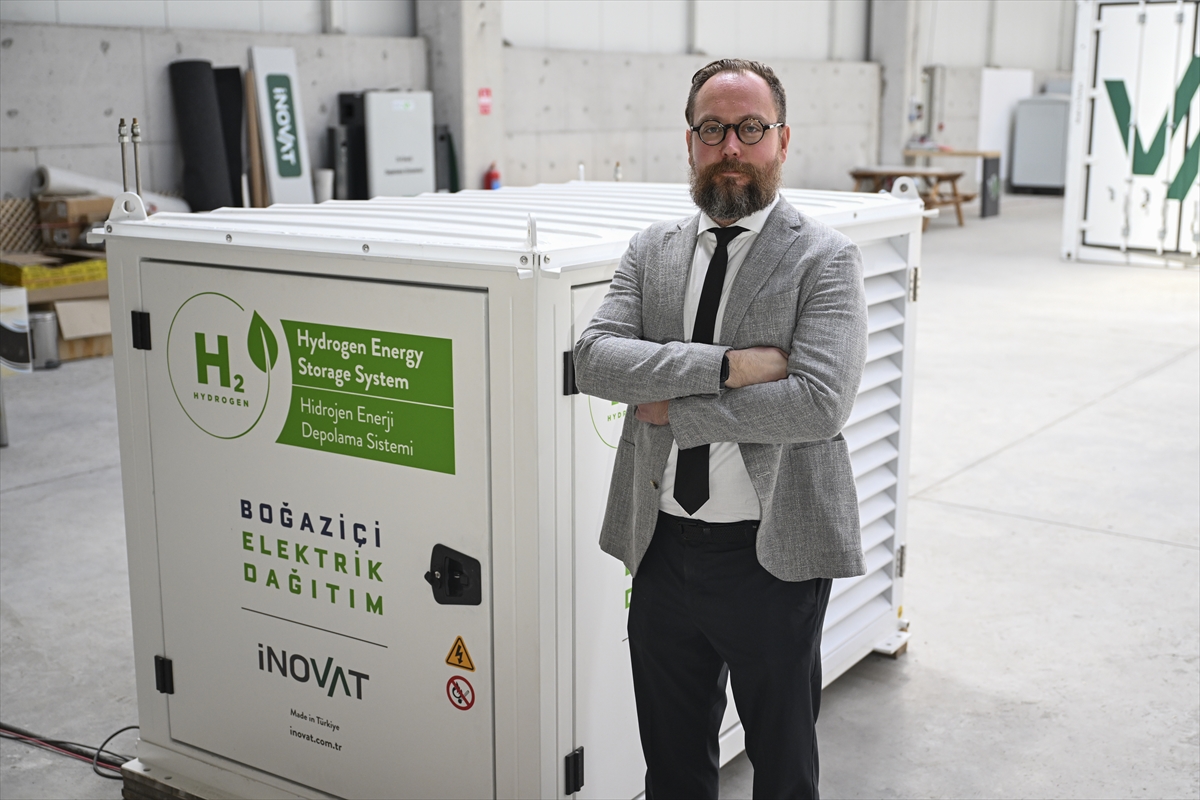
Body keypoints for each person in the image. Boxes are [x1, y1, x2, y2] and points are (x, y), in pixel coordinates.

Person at [572, 59, 869, 800]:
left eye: (750, 128)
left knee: (784, 767)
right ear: (690, 141)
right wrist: (731, 367)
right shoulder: (652, 250)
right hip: (661, 547)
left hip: (771, 559)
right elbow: (596, 360)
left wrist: (675, 407)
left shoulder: (825, 259)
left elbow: (818, 403)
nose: (730, 146)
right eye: (712, 129)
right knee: (672, 766)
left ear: (782, 140)